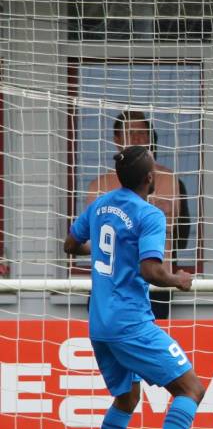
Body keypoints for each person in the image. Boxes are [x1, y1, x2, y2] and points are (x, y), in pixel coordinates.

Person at [65, 145, 204, 429]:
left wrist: (98, 253)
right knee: (191, 389)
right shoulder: (150, 214)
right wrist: (178, 280)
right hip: (130, 322)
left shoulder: (100, 206)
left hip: (99, 323)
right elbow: (150, 270)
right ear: (149, 178)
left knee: (126, 399)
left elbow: (70, 243)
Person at [86, 111, 191, 320]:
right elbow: (86, 237)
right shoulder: (99, 186)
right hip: (109, 283)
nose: (137, 139)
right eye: (130, 133)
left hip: (155, 282)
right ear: (117, 140)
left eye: (142, 133)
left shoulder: (171, 181)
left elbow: (182, 232)